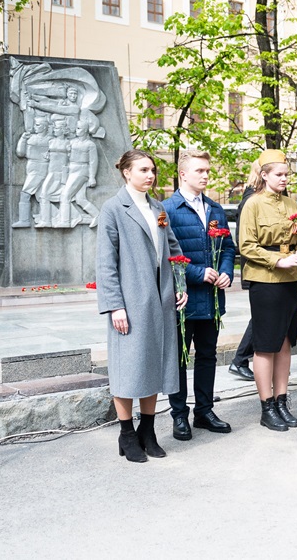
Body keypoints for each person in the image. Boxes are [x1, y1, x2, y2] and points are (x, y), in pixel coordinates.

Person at [96, 150, 187, 463]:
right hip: (130, 302)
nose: (151, 175)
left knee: (154, 364)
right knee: (127, 367)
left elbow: (173, 249)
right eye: (144, 170)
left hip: (160, 299)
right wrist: (114, 306)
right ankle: (126, 433)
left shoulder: (158, 208)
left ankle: (148, 431)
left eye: (153, 170)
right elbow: (105, 263)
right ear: (127, 172)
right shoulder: (113, 208)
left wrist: (180, 285)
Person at [163, 151, 236, 441]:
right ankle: (179, 415)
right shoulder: (168, 209)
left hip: (212, 298)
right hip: (183, 298)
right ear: (183, 174)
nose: (206, 175)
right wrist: (197, 273)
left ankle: (204, 411)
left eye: (207, 170)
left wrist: (226, 271)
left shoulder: (215, 209)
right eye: (199, 171)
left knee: (207, 356)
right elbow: (165, 255)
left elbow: (228, 247)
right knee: (180, 358)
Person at [238, 149, 297, 431]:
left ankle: (281, 400)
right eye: (278, 174)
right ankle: (266, 406)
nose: (283, 179)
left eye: (286, 175)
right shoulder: (253, 204)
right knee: (265, 345)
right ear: (264, 175)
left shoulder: (292, 204)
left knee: (284, 343)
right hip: (265, 280)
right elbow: (246, 246)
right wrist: (278, 260)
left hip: (291, 279)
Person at [228, 160, 261, 382]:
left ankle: (243, 360)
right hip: (256, 267)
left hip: (256, 267)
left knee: (262, 316)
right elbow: (245, 240)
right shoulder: (252, 199)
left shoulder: (253, 196)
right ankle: (240, 360)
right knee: (261, 317)